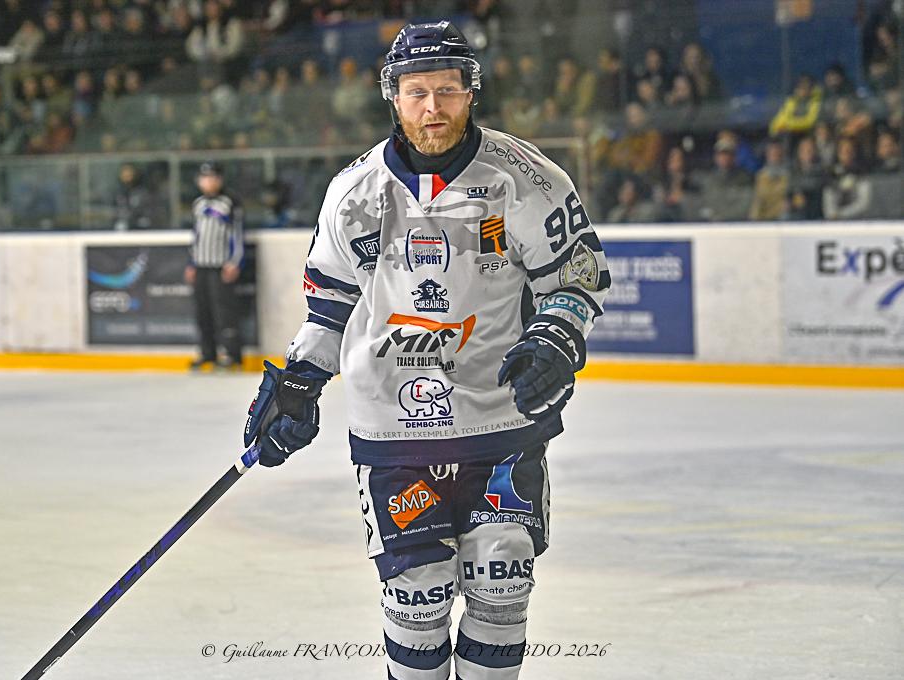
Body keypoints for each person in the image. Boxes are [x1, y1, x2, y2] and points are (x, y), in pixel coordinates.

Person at [242, 21, 610, 680]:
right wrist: (297, 382)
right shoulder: (355, 193)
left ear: (471, 91)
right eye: (417, 93)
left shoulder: (525, 178)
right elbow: (329, 303)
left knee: (503, 580)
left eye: (447, 90)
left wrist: (556, 338)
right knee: (418, 595)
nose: (432, 108)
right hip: (394, 427)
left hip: (500, 419)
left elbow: (574, 277)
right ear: (393, 96)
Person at [184, 161, 244, 370]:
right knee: (203, 312)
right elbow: (196, 235)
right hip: (201, 265)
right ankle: (207, 353)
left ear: (220, 179)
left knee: (224, 313)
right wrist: (192, 263)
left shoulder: (230, 202)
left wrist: (235, 262)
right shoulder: (198, 203)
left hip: (221, 266)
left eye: (212, 177)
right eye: (204, 178)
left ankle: (231, 354)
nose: (208, 182)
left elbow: (237, 234)